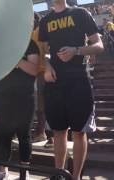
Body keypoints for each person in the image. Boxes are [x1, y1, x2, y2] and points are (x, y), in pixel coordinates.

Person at [38, 0, 104, 179]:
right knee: (58, 132)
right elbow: (44, 52)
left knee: (78, 131)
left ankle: (76, 177)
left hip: (78, 80)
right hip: (55, 84)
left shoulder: (81, 13)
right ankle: (59, 175)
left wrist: (77, 50)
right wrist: (47, 66)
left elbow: (99, 45)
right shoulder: (45, 21)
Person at [0, 33, 39, 179]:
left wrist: (15, 60)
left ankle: (25, 172)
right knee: (4, 134)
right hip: (1, 96)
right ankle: (3, 171)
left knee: (24, 135)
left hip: (24, 97)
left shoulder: (29, 44)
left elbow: (34, 69)